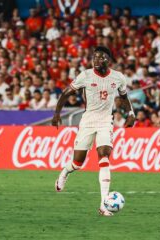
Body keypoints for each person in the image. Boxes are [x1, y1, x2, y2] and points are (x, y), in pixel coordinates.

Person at [52, 46, 135, 216]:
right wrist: (57, 113)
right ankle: (65, 172)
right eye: (94, 57)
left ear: (108, 60)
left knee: (104, 155)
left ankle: (104, 205)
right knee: (77, 163)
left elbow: (124, 97)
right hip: (88, 120)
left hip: (106, 120)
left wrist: (131, 113)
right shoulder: (86, 75)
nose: (96, 60)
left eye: (101, 57)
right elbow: (66, 92)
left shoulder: (118, 77)